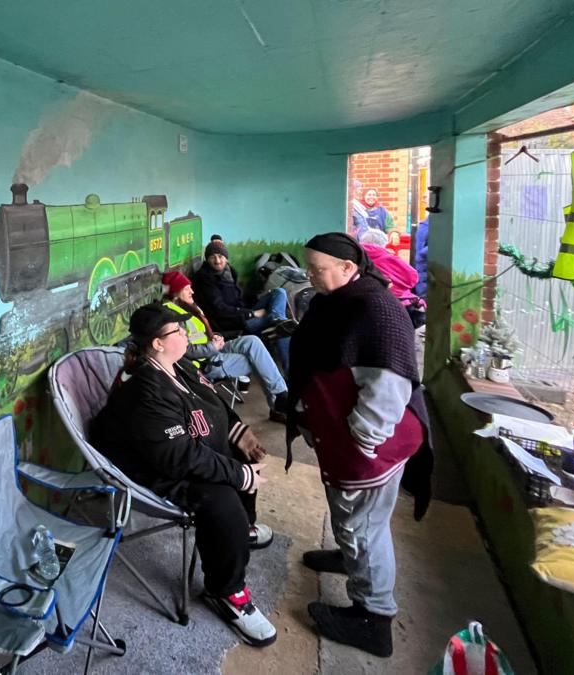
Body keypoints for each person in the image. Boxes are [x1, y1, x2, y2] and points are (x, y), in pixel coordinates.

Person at [91, 303, 277, 647]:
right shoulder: (144, 389)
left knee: (237, 459)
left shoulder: (180, 366)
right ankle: (227, 591)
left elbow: (215, 403)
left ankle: (238, 531)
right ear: (157, 344)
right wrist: (238, 475)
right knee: (222, 495)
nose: (186, 334)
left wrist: (240, 434)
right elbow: (179, 458)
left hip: (177, 453)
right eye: (177, 330)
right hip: (150, 468)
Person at [285, 232, 433, 658]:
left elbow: (387, 389)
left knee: (362, 526)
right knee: (356, 518)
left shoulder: (375, 310)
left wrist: (361, 443)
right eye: (308, 266)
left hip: (370, 444)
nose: (309, 275)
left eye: (317, 268)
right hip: (345, 436)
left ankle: (374, 617)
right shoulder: (339, 301)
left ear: (349, 268)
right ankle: (353, 561)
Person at [161, 270, 289, 422]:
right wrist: (213, 346)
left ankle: (281, 398)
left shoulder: (188, 307)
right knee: (258, 360)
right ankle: (279, 404)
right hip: (205, 364)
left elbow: (200, 334)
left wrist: (216, 337)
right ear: (176, 291)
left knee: (252, 341)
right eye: (187, 288)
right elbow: (185, 351)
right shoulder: (172, 316)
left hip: (212, 349)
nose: (192, 291)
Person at [190, 238, 295, 372]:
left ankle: (276, 319)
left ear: (226, 258)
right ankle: (289, 372)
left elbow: (238, 300)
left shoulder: (229, 272)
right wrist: (251, 313)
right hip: (232, 322)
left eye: (221, 256)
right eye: (212, 257)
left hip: (242, 313)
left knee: (279, 292)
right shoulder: (205, 278)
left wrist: (254, 303)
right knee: (284, 328)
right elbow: (220, 309)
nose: (217, 261)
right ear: (207, 259)